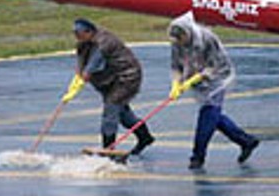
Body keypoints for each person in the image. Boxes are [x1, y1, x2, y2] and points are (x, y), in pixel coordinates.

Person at [167, 11, 260, 170]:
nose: (180, 43)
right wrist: (176, 83)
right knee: (214, 117)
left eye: (181, 39)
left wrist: (193, 79)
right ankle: (246, 141)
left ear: (187, 32)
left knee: (207, 115)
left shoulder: (207, 38)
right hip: (198, 79)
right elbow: (176, 65)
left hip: (217, 78)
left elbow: (215, 65)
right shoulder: (177, 43)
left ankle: (197, 156)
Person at [67, 17, 154, 155]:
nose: (76, 37)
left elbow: (93, 64)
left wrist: (84, 75)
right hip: (108, 80)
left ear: (88, 32)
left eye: (79, 34)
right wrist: (76, 80)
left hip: (126, 77)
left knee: (111, 108)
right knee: (123, 115)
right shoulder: (83, 43)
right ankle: (144, 136)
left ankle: (108, 146)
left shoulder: (104, 42)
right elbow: (80, 63)